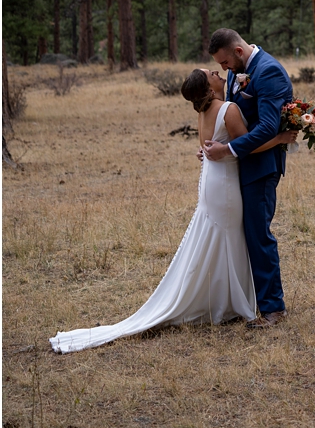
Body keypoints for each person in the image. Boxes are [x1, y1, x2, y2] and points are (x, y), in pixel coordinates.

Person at [49, 68, 282, 352]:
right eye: (211, 74)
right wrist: (280, 138)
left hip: (212, 180)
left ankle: (226, 301)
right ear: (209, 90)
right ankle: (227, 302)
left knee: (223, 239)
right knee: (228, 238)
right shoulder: (228, 109)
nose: (217, 73)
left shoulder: (204, 111)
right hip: (225, 187)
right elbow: (250, 146)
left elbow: (214, 145)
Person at [201, 28, 293, 328]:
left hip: (263, 166)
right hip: (240, 165)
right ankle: (249, 299)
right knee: (245, 235)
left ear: (238, 52)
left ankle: (273, 309)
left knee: (258, 234)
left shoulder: (269, 72)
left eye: (226, 63)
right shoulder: (237, 72)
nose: (225, 70)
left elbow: (267, 127)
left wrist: (227, 149)